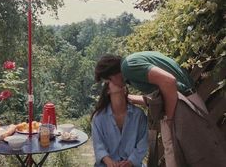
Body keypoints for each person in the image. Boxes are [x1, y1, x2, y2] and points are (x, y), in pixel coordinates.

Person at [95, 51, 226, 167]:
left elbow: (169, 82)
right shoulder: (133, 61)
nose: (110, 84)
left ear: (112, 73)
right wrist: (128, 98)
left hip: (182, 106)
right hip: (187, 101)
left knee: (185, 156)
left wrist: (169, 118)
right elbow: (160, 94)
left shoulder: (128, 67)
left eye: (108, 80)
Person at [91, 81, 148, 167]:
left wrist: (130, 162)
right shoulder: (99, 117)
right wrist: (109, 162)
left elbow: (143, 143)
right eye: (113, 79)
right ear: (107, 90)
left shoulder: (138, 115)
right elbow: (98, 145)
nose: (118, 80)